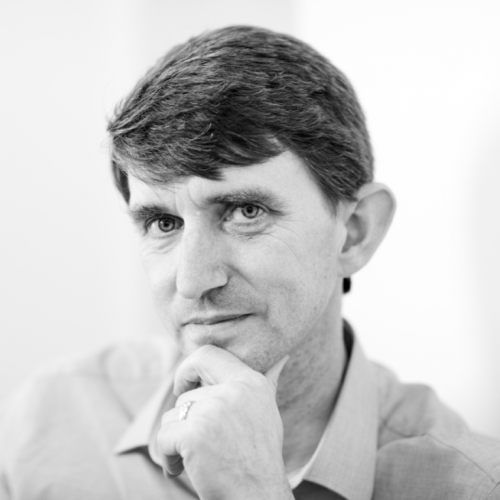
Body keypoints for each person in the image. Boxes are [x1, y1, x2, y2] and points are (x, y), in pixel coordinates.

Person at [1, 25, 499, 500]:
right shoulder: (48, 425)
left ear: (354, 233)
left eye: (245, 212)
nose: (193, 281)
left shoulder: (475, 487)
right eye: (163, 223)